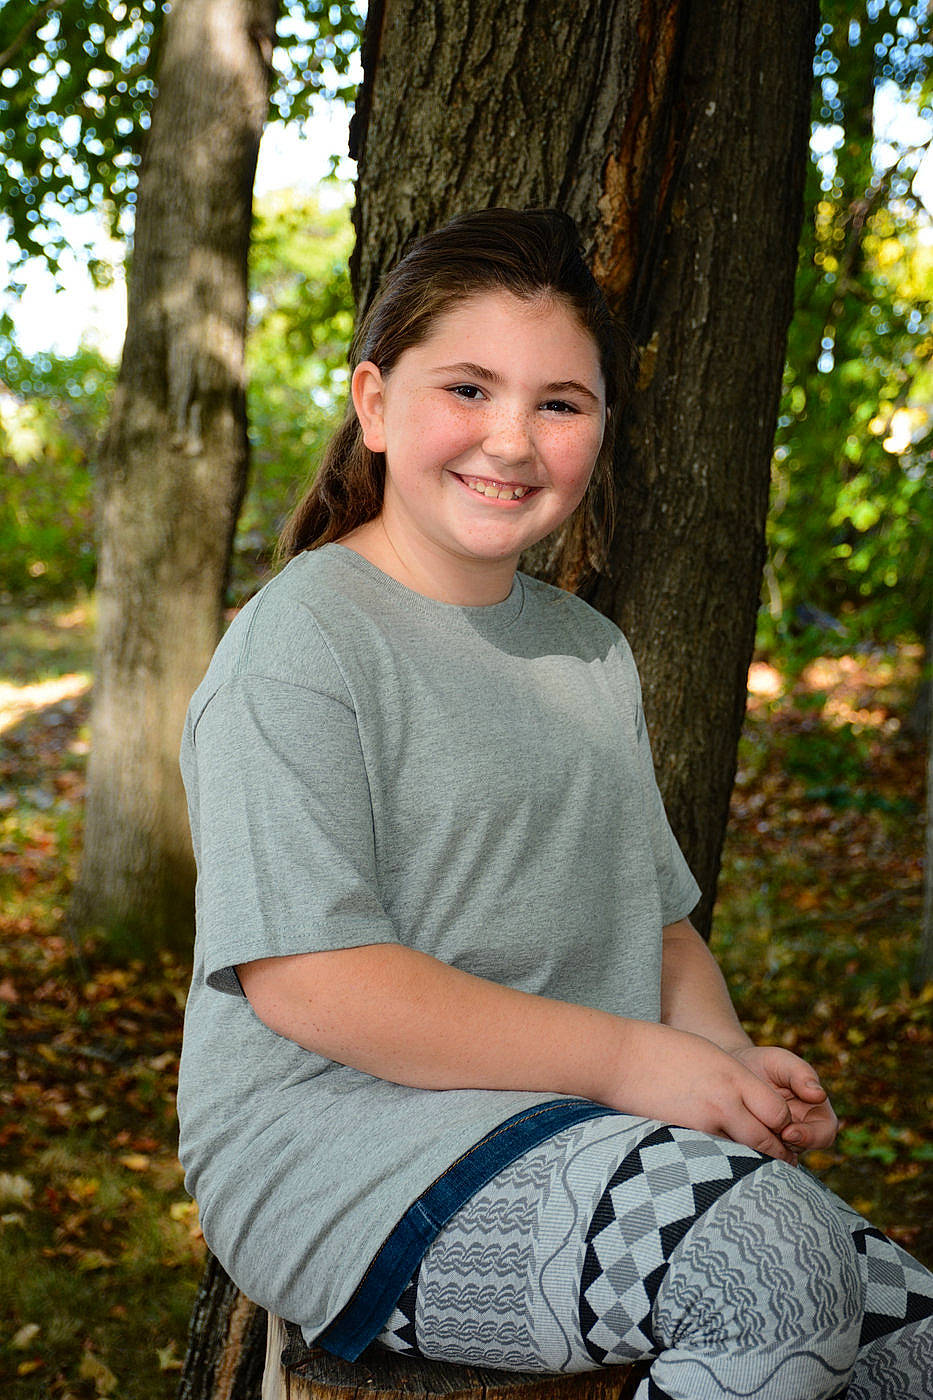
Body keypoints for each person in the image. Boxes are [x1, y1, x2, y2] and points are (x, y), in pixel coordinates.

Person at [177, 208, 932, 1400]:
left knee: (917, 1343)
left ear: (600, 431)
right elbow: (312, 978)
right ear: (374, 404)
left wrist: (723, 1063)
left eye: (560, 402)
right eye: (468, 388)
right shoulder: (301, 644)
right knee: (777, 1277)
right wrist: (635, 1060)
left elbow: (659, 923)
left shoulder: (589, 652)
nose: (511, 439)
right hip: (343, 1149)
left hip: (565, 1120)